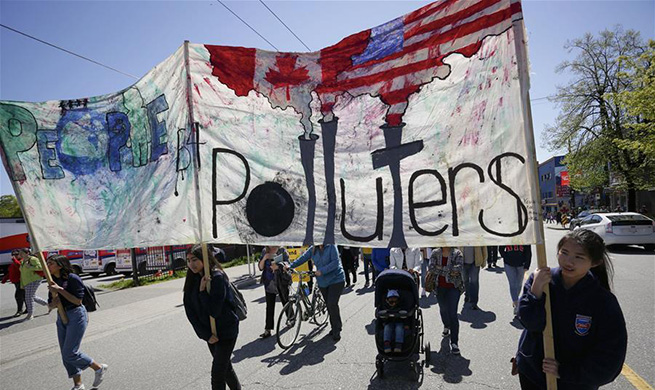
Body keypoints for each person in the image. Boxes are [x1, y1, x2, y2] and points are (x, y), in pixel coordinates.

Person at [516, 229, 627, 390]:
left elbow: (610, 357)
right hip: (533, 374)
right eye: (564, 252)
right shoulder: (541, 280)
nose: (569, 261)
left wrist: (564, 371)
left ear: (595, 262)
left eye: (579, 257)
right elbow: (530, 323)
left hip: (576, 384)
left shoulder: (603, 301)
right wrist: (535, 292)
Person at [46, 255, 108, 390]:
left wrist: (60, 290)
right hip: (61, 316)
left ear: (60, 265)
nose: (47, 265)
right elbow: (50, 305)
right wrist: (53, 304)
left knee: (70, 352)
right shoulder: (52, 281)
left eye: (50, 263)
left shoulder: (72, 278)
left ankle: (98, 368)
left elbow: (77, 301)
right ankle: (78, 384)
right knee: (65, 354)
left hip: (76, 314)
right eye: (47, 263)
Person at [183, 244, 241, 390]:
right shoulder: (192, 280)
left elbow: (214, 311)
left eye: (195, 259)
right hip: (211, 334)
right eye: (188, 260)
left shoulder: (217, 277)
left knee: (217, 375)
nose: (191, 264)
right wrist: (206, 335)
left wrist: (203, 292)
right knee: (225, 369)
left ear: (205, 258)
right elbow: (190, 313)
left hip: (226, 331)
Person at [288, 245, 345, 341]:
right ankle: (334, 326)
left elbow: (335, 263)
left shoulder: (331, 246)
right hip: (323, 282)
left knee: (332, 304)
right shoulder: (313, 249)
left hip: (336, 280)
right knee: (328, 304)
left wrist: (321, 271)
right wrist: (291, 266)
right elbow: (303, 258)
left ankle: (337, 329)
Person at [429, 247, 464, 355]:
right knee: (443, 309)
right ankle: (446, 325)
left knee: (453, 313)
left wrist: (441, 268)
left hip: (454, 287)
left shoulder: (457, 253)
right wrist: (449, 270)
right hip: (439, 287)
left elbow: (458, 269)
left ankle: (454, 342)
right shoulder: (435, 253)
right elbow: (431, 268)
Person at [258, 246, 290, 338]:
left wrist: (279, 266)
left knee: (285, 301)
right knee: (269, 306)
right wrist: (264, 258)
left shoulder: (282, 250)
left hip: (281, 280)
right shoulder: (265, 250)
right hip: (269, 282)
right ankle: (268, 329)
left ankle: (291, 318)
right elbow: (260, 267)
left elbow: (288, 263)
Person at [499, 245, 532, 316]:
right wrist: (505, 256)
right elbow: (501, 248)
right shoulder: (507, 236)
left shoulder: (524, 236)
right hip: (509, 264)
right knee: (512, 284)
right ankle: (517, 305)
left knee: (519, 284)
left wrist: (527, 265)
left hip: (521, 264)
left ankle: (515, 299)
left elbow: (528, 251)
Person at [18, 248, 48, 320]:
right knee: (32, 296)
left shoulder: (33, 259)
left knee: (28, 297)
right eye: (20, 253)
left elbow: (41, 267)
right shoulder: (22, 261)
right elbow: (22, 274)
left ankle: (30, 314)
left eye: (22, 253)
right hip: (27, 282)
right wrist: (22, 284)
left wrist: (30, 267)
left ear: (27, 253)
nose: (20, 255)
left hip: (34, 280)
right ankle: (48, 304)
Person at [461, 246, 487, 310]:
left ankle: (474, 302)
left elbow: (484, 247)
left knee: (474, 282)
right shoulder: (460, 235)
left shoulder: (477, 236)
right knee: (465, 280)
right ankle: (467, 295)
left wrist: (484, 260)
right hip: (462, 262)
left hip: (475, 262)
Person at [2, 250, 25, 317]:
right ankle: (27, 309)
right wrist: (5, 279)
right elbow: (10, 272)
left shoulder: (22, 261)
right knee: (23, 296)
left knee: (18, 296)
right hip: (16, 282)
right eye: (13, 255)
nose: (15, 256)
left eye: (16, 254)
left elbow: (20, 267)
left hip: (21, 281)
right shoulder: (13, 263)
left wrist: (14, 260)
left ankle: (20, 311)